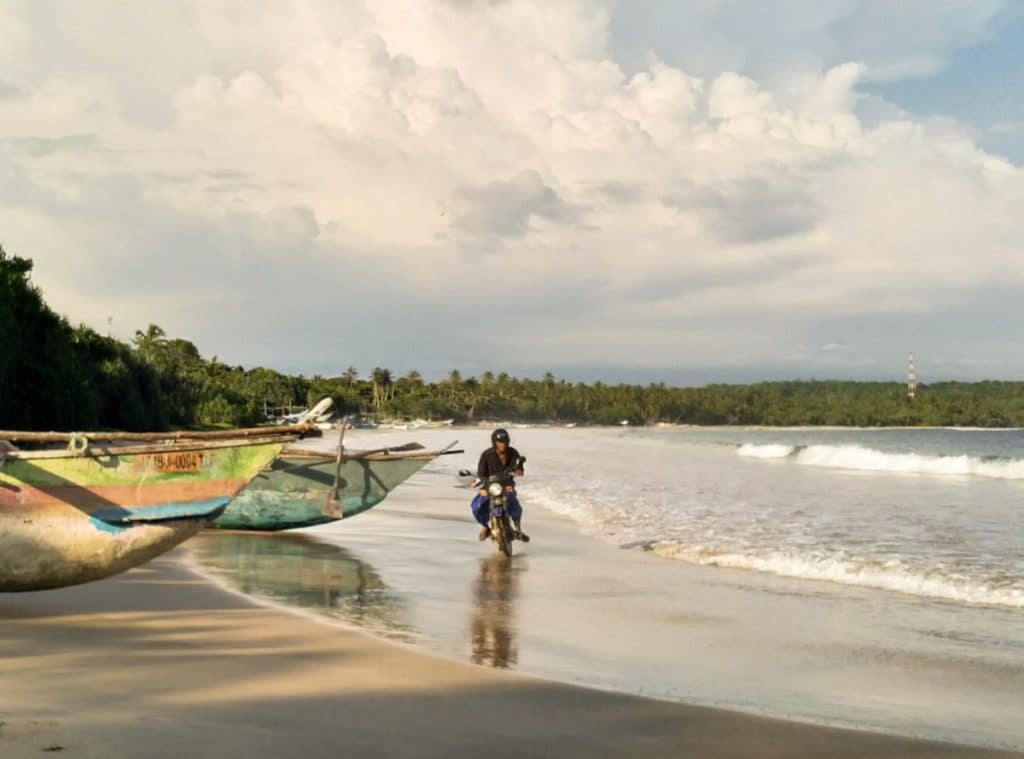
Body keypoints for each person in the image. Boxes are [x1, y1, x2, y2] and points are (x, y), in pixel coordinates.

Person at [471, 428, 529, 543]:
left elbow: (518, 468)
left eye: (505, 442)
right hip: (490, 487)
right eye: (500, 442)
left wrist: (518, 469)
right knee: (476, 506)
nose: (503, 445)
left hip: (507, 486)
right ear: (494, 443)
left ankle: (518, 529)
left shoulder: (513, 453)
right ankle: (486, 527)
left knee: (514, 504)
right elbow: (481, 473)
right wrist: (482, 487)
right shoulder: (486, 455)